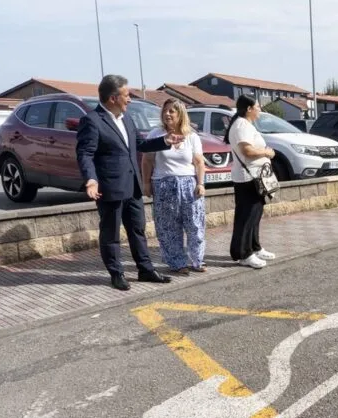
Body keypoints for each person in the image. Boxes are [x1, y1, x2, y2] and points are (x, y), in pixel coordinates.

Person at [76, 75, 183, 291]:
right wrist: (91, 179)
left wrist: (165, 141)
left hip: (132, 185)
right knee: (111, 233)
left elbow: (140, 144)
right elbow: (85, 153)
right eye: (127, 95)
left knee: (138, 230)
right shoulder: (92, 121)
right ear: (114, 98)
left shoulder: (126, 119)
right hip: (110, 188)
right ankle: (116, 273)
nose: (130, 100)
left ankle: (145, 270)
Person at [141, 98, 207, 276]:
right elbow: (147, 160)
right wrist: (146, 183)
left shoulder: (192, 136)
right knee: (168, 228)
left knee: (195, 224)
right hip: (163, 185)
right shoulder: (156, 134)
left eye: (172, 111)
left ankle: (197, 259)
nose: (167, 114)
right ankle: (177, 262)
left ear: (180, 114)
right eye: (165, 111)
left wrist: (200, 184)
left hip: (188, 185)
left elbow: (199, 162)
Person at [223, 95, 277, 269]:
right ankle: (243, 253)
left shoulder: (245, 125)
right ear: (249, 109)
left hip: (256, 177)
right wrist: (266, 153)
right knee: (246, 217)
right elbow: (247, 151)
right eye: (258, 107)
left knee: (255, 215)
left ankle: (255, 247)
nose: (259, 110)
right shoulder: (241, 125)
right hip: (248, 178)